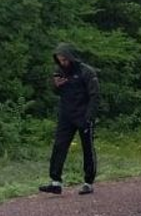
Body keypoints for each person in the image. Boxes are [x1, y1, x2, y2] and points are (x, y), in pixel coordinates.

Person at [39, 43, 99, 195]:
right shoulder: (59, 72)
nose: (62, 63)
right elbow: (54, 90)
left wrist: (90, 116)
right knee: (59, 146)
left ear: (71, 57)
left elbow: (94, 95)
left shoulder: (86, 72)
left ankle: (88, 182)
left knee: (87, 148)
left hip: (83, 114)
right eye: (60, 60)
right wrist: (55, 86)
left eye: (65, 59)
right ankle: (55, 181)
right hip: (66, 115)